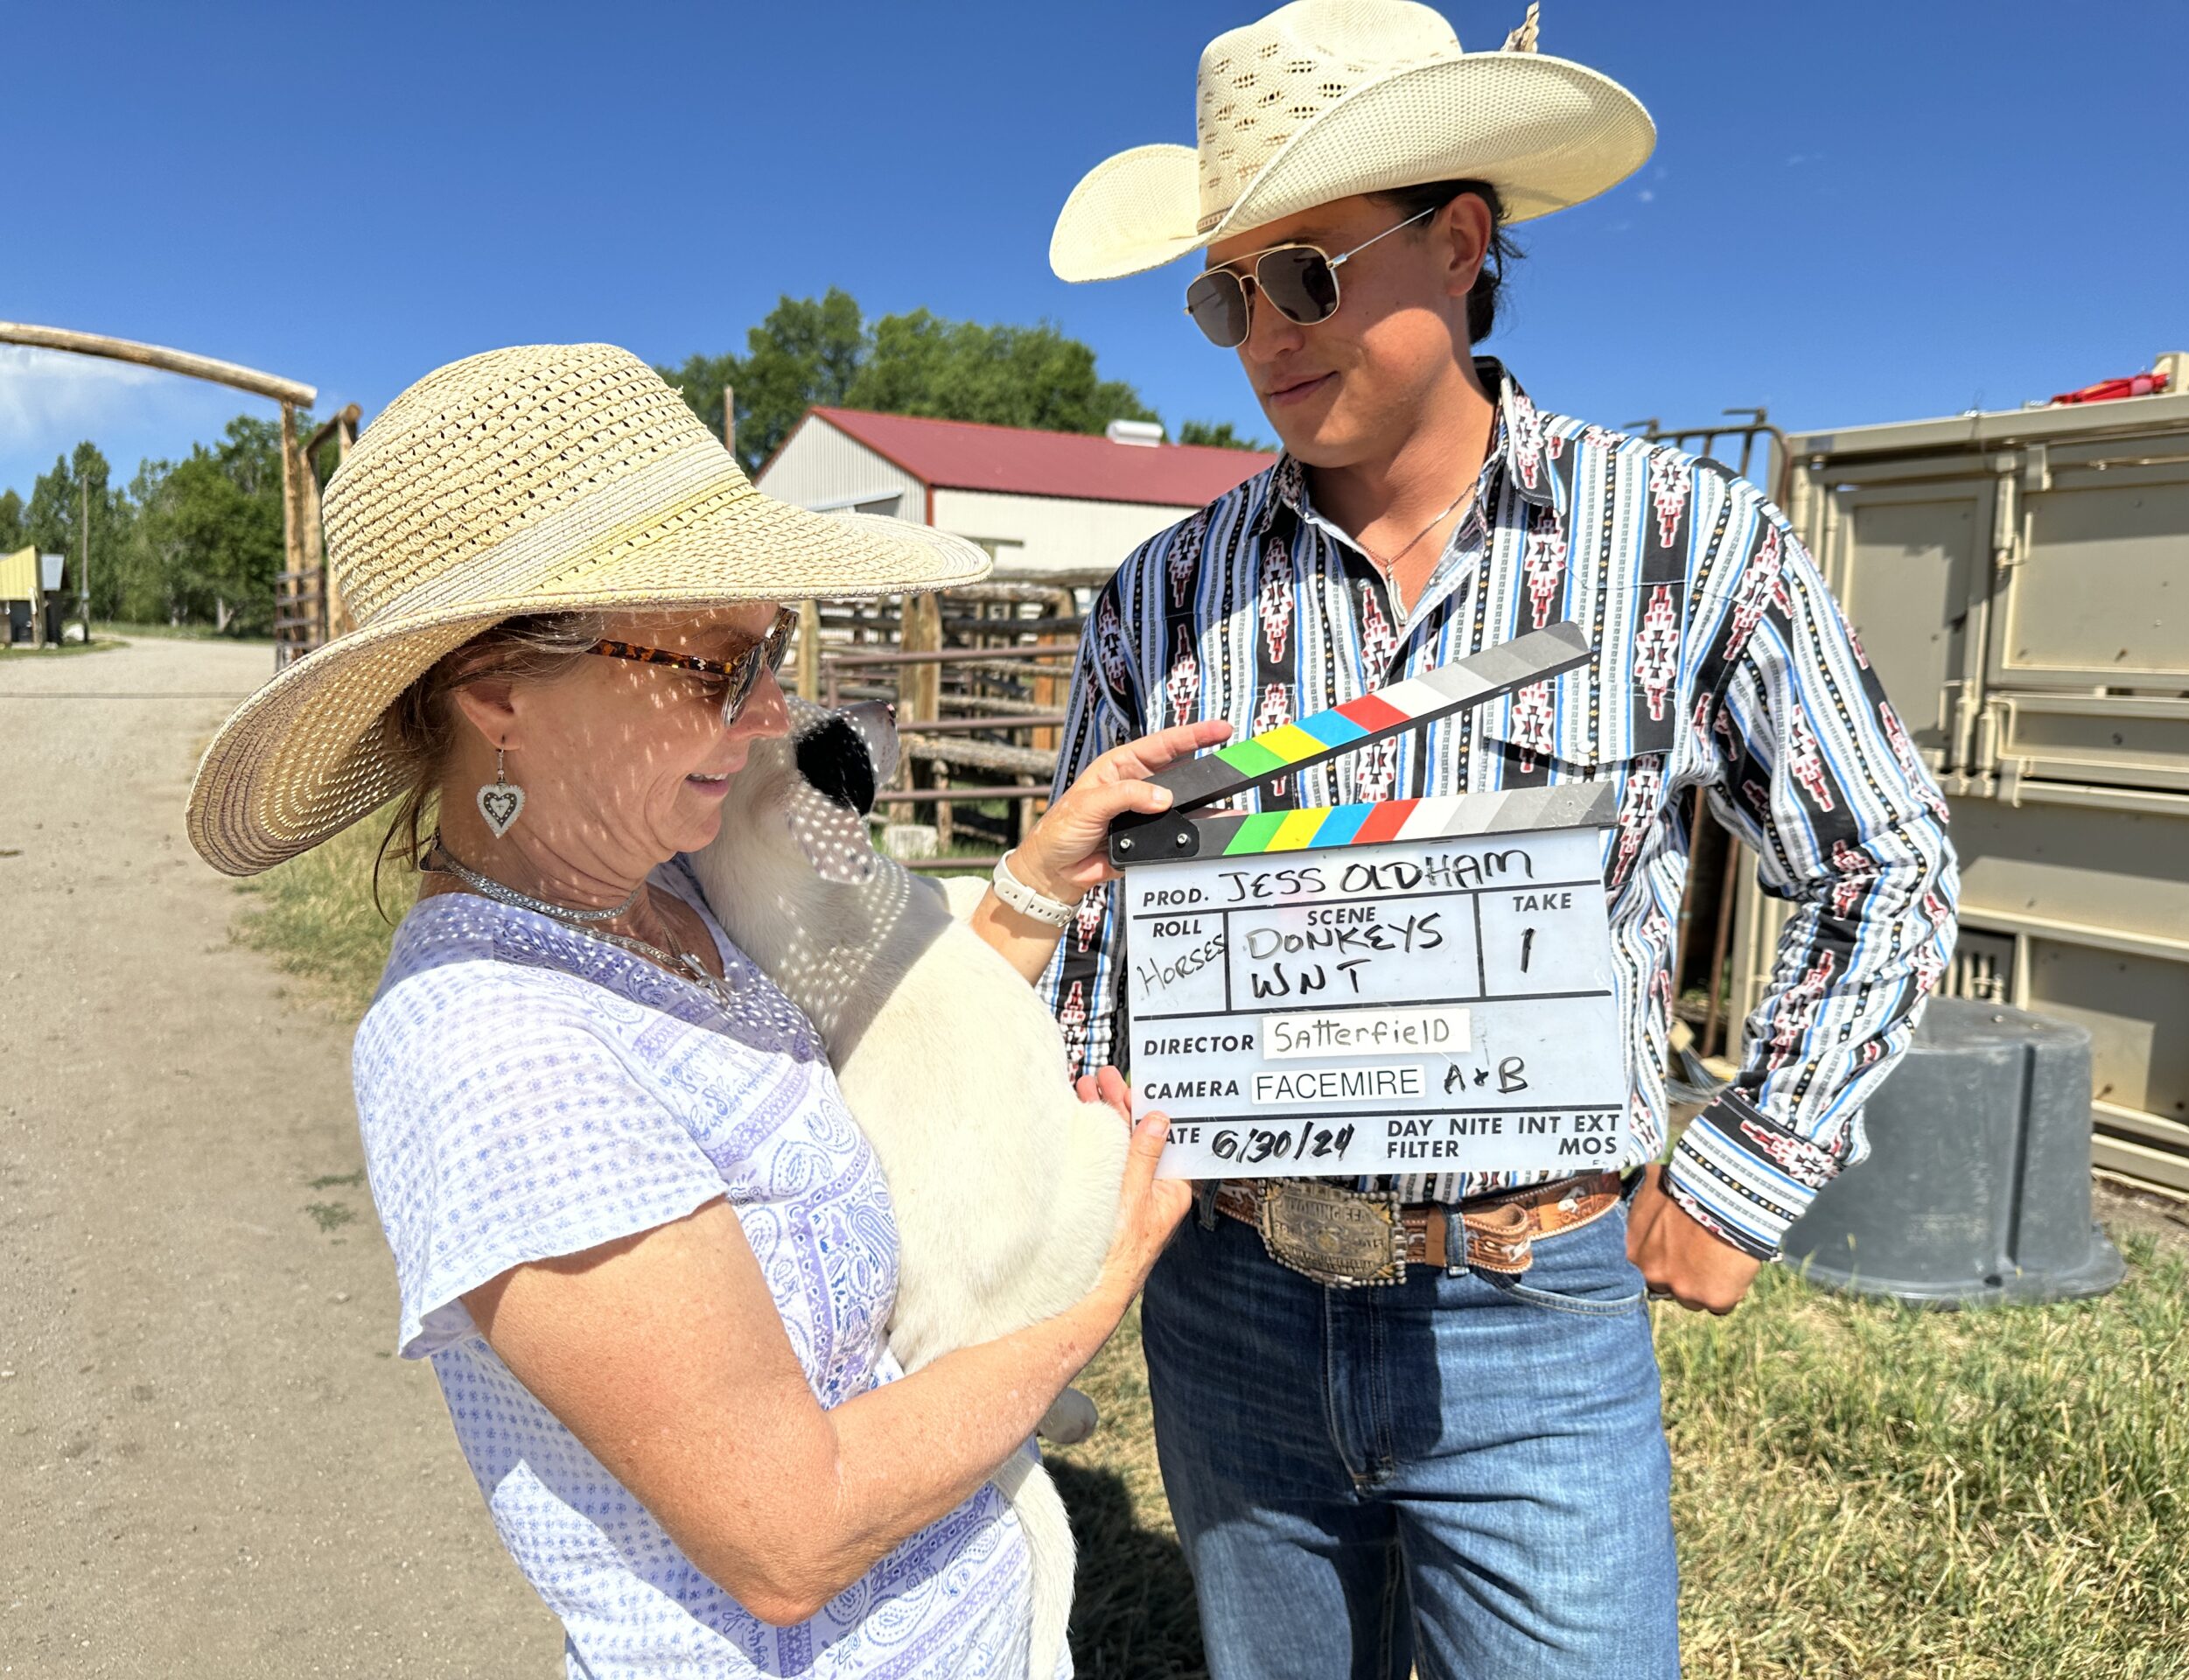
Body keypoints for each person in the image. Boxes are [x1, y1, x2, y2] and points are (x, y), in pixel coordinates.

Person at [1039, 4, 1962, 1676]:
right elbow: (1097, 960)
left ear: (1460, 244)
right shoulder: (1162, 598)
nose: (1262, 336)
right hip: (1230, 1298)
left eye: (1307, 276)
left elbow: (1885, 861)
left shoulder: (1677, 542)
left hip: (1529, 1304)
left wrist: (1751, 1173)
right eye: (1225, 293)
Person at [185, 341, 1230, 1677]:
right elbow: (788, 1533)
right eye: (717, 665)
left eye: (774, 649)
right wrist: (1101, 1283)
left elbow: (896, 1019)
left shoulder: (670, 873)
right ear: (500, 689)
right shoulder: (491, 1046)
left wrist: (1030, 884)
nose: (772, 712)